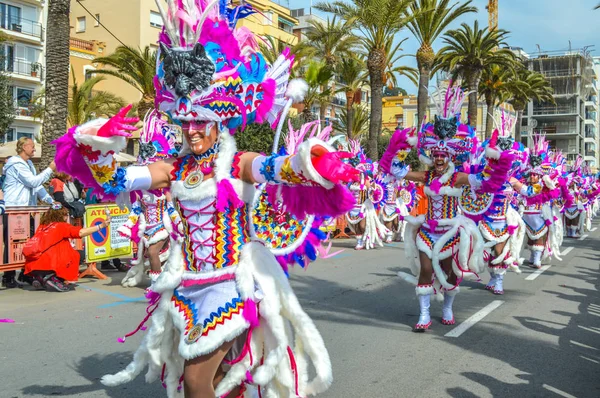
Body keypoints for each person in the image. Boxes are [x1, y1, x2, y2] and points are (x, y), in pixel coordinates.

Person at [53, 2, 357, 396]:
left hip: (231, 286)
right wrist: (97, 143)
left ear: (218, 123)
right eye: (185, 122)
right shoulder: (173, 169)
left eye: (201, 121)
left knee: (196, 382)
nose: (192, 130)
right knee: (210, 381)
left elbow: (275, 166)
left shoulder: (236, 164)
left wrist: (315, 162)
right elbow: (116, 180)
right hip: (187, 284)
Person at [381, 85, 512, 332]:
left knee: (452, 274)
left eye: (443, 154)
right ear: (431, 155)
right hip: (428, 232)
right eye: (436, 154)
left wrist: (495, 163)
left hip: (452, 233)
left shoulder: (459, 178)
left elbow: (484, 183)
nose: (439, 157)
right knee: (426, 270)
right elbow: (396, 171)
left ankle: (448, 307)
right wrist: (396, 149)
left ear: (450, 156)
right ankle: (424, 315)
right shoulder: (425, 175)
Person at [1, 137, 57, 288]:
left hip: (26, 210)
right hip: (14, 209)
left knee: (30, 243)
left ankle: (26, 273)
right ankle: (8, 276)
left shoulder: (29, 164)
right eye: (32, 146)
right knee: (12, 243)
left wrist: (50, 201)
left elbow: (37, 187)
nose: (34, 149)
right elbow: (33, 182)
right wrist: (50, 169)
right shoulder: (16, 164)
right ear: (23, 147)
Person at [23, 203, 110, 292]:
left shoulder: (42, 226)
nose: (66, 217)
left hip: (34, 263)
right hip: (49, 263)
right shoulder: (62, 226)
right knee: (77, 254)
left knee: (62, 246)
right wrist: (100, 226)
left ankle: (41, 277)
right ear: (62, 216)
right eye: (65, 215)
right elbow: (80, 233)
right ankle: (52, 277)